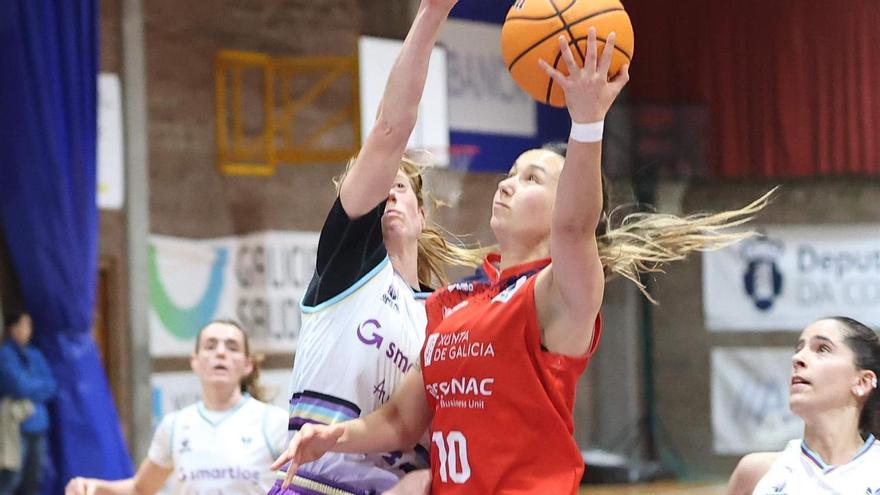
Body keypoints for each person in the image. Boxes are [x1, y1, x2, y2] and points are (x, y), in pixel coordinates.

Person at [271, 29, 774, 495]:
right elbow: (401, 420)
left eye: (533, 179)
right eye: (510, 173)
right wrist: (331, 437)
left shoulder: (557, 295)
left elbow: (575, 230)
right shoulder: (451, 304)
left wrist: (587, 123)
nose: (508, 183)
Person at [267, 0, 479, 493]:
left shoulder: (448, 315)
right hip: (316, 485)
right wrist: (430, 15)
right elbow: (389, 131)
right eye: (383, 183)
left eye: (402, 186)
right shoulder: (350, 262)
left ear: (423, 217)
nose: (388, 191)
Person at [65, 320, 288, 495]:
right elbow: (140, 489)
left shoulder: (273, 422)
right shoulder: (175, 426)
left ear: (248, 364)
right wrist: (95, 487)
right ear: (195, 361)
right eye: (210, 346)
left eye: (232, 347)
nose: (221, 353)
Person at [726, 316, 880, 495]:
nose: (797, 358)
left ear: (862, 382)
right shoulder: (756, 473)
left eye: (822, 349)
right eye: (799, 348)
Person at [0, 311, 57, 495]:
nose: (27, 330)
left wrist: (32, 386)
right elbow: (18, 386)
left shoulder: (35, 354)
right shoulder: (6, 355)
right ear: (12, 328)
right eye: (23, 325)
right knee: (11, 477)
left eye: (29, 325)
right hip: (16, 428)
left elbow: (51, 385)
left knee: (34, 480)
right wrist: (35, 386)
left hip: (38, 425)